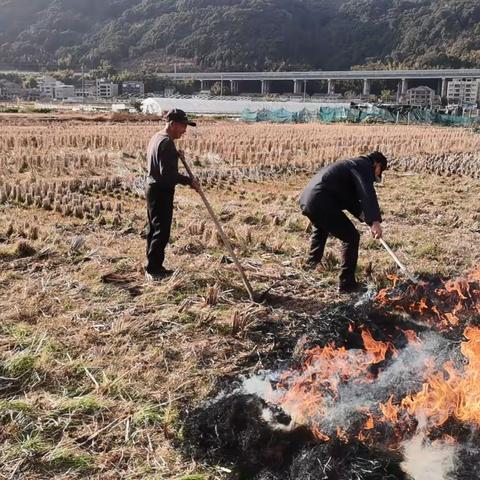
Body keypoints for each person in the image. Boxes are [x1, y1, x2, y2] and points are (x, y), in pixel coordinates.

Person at [299, 151, 387, 293]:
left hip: (308, 199)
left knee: (321, 227)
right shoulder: (364, 166)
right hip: (321, 199)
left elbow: (350, 201)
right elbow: (367, 193)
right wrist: (375, 221)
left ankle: (311, 263)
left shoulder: (352, 165)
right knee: (351, 237)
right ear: (377, 164)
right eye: (380, 171)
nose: (378, 175)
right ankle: (347, 284)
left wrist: (369, 221)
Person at [145, 108, 200, 280]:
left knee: (154, 228)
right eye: (183, 126)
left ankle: (151, 265)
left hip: (152, 187)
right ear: (173, 124)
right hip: (161, 190)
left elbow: (162, 160)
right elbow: (167, 173)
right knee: (161, 231)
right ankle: (154, 270)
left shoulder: (158, 137)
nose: (185, 130)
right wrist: (189, 181)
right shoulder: (167, 143)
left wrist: (175, 155)